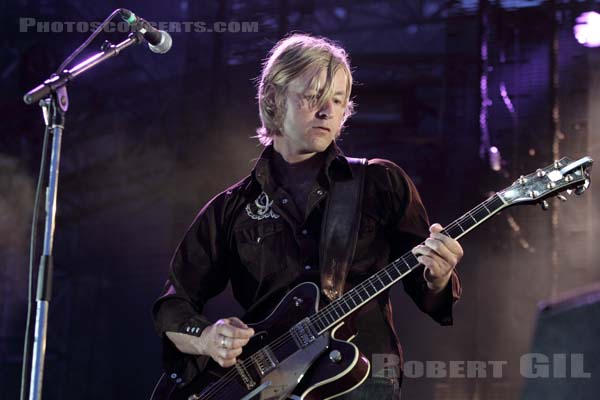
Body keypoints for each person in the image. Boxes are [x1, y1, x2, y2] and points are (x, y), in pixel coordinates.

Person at [152, 33, 463, 399]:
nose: (327, 111)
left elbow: (429, 294)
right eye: (313, 96)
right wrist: (206, 339)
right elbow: (173, 305)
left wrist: (438, 277)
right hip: (265, 386)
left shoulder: (381, 183)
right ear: (272, 99)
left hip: (362, 379)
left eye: (337, 100)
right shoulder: (232, 207)